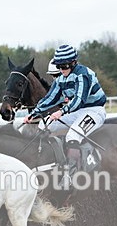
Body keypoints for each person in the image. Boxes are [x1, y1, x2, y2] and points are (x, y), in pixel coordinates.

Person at [24, 44, 107, 180]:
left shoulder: (82, 74)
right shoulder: (61, 78)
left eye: (64, 66)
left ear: (74, 63)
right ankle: (45, 161)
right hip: (78, 112)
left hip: (94, 111)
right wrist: (33, 114)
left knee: (72, 136)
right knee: (45, 124)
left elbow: (79, 99)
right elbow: (50, 98)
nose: (61, 70)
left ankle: (70, 175)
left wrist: (62, 112)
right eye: (59, 67)